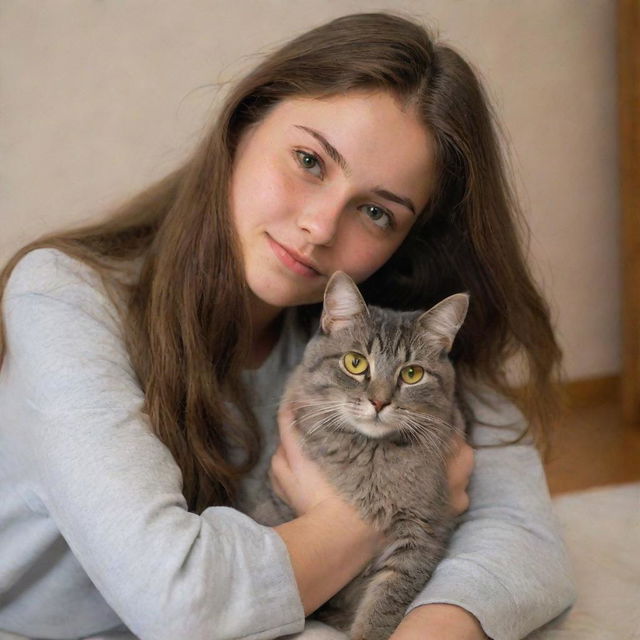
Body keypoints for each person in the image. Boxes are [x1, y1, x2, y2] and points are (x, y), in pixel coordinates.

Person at [0, 12, 575, 640]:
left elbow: (522, 531)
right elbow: (179, 601)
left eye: (378, 212)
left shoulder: (373, 322)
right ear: (244, 124)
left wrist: (432, 628)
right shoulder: (64, 295)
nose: (322, 227)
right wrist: (366, 520)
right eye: (309, 160)